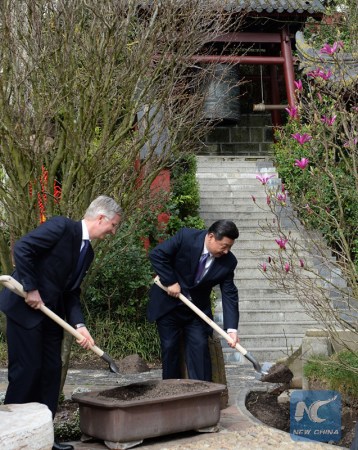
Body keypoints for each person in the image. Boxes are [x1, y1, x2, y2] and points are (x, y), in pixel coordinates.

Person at [0, 195, 122, 450]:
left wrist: (79, 325)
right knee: (27, 372)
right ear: (101, 218)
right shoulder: (61, 227)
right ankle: (13, 438)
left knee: (51, 373)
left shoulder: (87, 252)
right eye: (113, 225)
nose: (113, 231)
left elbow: (71, 292)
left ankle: (44, 437)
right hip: (25, 312)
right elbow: (23, 248)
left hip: (51, 317)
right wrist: (31, 288)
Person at [147, 219, 240, 382]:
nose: (226, 251)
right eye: (224, 246)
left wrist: (231, 329)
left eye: (230, 247)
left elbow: (229, 293)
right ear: (211, 237)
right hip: (169, 306)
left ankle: (202, 394)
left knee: (200, 348)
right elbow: (157, 254)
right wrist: (171, 281)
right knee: (170, 347)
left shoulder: (228, 262)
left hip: (196, 312)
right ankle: (171, 392)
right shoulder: (186, 237)